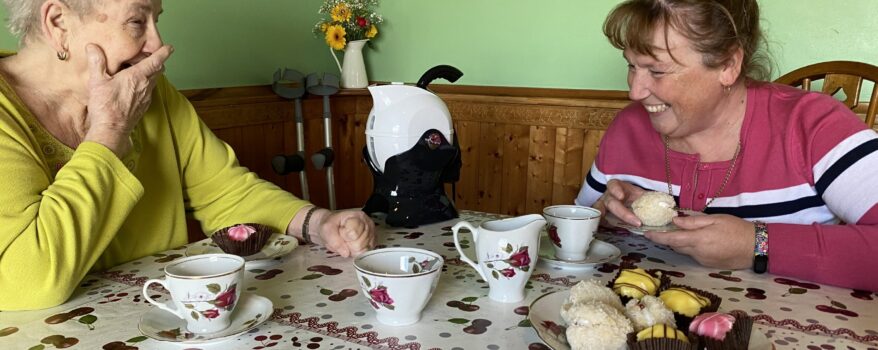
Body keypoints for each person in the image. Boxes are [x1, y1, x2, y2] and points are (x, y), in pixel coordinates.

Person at [0, 0, 375, 311]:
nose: (157, 44)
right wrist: (109, 132)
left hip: (157, 315)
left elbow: (224, 190)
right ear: (58, 21)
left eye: (156, 20)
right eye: (136, 21)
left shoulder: (147, 90)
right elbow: (32, 280)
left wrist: (318, 223)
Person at [577, 0, 878, 291]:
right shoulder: (628, 127)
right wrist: (605, 216)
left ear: (728, 65)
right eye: (631, 66)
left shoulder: (814, 126)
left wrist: (756, 244)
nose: (635, 91)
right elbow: (572, 229)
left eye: (656, 70)